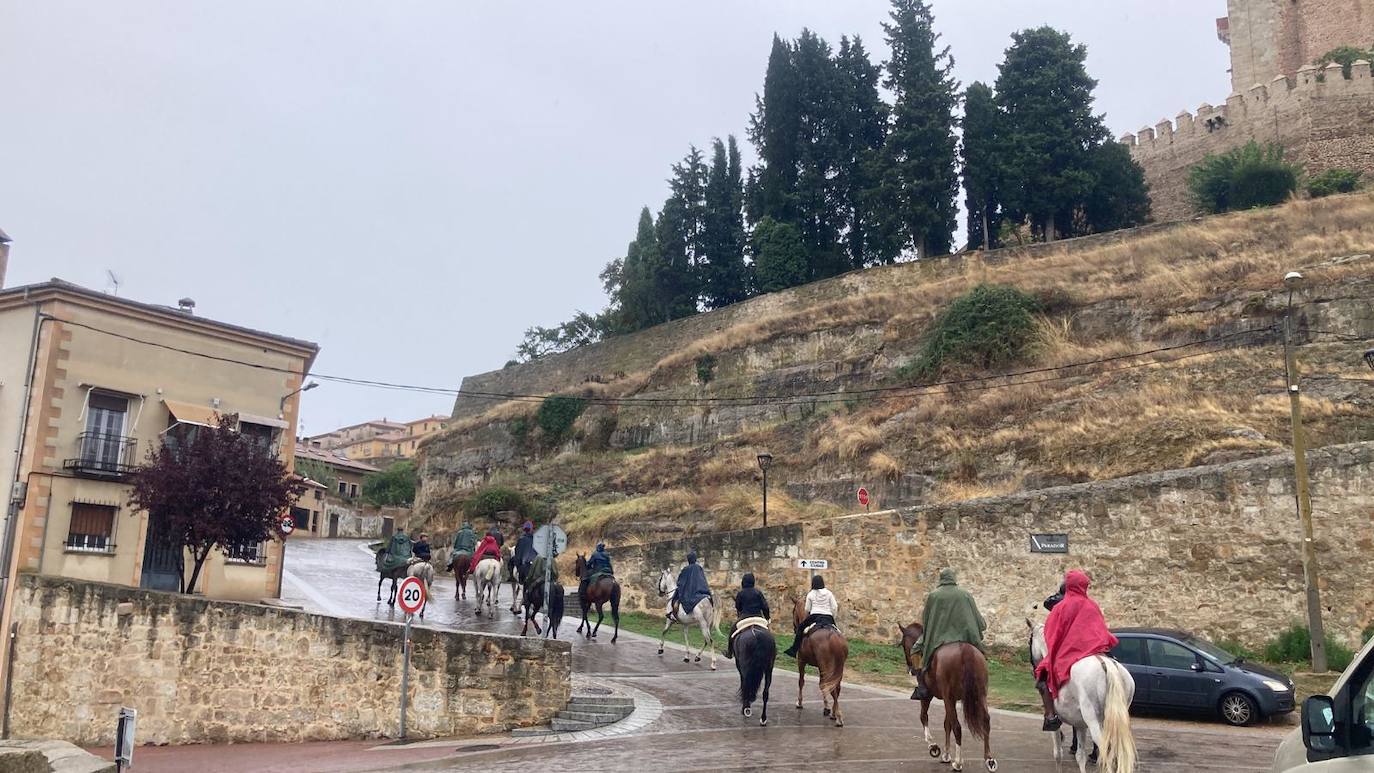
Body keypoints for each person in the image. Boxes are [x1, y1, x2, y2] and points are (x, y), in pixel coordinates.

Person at [1034, 570, 1118, 732]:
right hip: (1096, 649)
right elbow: (1101, 630)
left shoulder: (1061, 607)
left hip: (1070, 652)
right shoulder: (1093, 605)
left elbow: (1051, 634)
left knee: (1042, 674)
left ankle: (1051, 716)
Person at [912, 568, 987, 701]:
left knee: (915, 650)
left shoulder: (934, 595)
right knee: (980, 657)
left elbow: (927, 620)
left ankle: (922, 686)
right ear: (954, 578)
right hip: (965, 637)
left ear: (941, 579)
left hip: (938, 638)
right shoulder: (966, 594)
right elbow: (979, 621)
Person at [783, 574, 837, 658]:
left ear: (813, 583)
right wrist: (833, 616)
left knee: (800, 628)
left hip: (815, 616)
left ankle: (794, 650)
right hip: (828, 617)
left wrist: (807, 617)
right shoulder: (829, 593)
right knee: (837, 632)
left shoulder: (811, 594)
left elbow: (807, 609)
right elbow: (834, 607)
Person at [725, 573, 770, 659]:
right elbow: (765, 606)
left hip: (745, 617)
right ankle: (773, 652)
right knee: (768, 634)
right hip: (758, 617)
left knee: (732, 632)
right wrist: (768, 618)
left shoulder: (741, 593)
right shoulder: (758, 592)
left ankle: (730, 652)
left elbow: (738, 607)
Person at [671, 551, 712, 620]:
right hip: (700, 591)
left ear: (688, 559)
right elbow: (703, 581)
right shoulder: (699, 568)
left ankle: (673, 615)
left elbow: (681, 582)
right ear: (695, 559)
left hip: (689, 593)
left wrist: (680, 586)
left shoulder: (686, 569)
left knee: (675, 600)